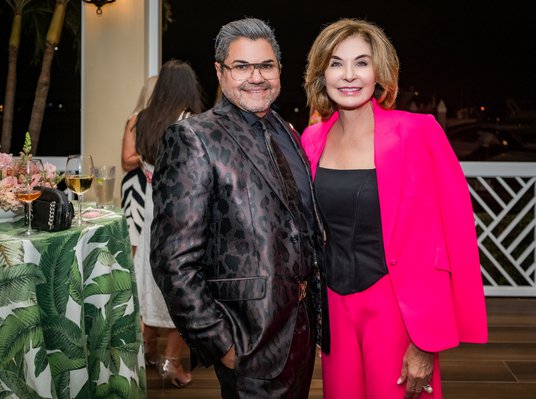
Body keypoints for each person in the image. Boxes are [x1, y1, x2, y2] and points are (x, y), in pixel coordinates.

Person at [301, 18, 488, 399]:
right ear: (322, 74)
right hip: (334, 312)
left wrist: (426, 343)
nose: (349, 75)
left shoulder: (418, 133)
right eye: (336, 63)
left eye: (361, 62)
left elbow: (450, 235)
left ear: (379, 73)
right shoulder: (312, 139)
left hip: (396, 311)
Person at [150, 18, 326, 399]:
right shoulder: (193, 137)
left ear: (279, 69)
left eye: (265, 65)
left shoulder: (288, 131)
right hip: (248, 339)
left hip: (299, 328)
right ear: (220, 71)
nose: (256, 77)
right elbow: (173, 260)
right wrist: (221, 345)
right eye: (241, 66)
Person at [134, 59, 204, 388]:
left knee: (150, 279)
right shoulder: (190, 122)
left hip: (150, 209)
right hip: (181, 211)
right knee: (181, 283)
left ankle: (146, 350)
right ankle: (171, 362)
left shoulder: (144, 120)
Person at [120, 75, 157, 257]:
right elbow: (126, 160)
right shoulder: (135, 120)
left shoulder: (157, 122)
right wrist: (149, 156)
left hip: (150, 184)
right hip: (137, 185)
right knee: (135, 242)